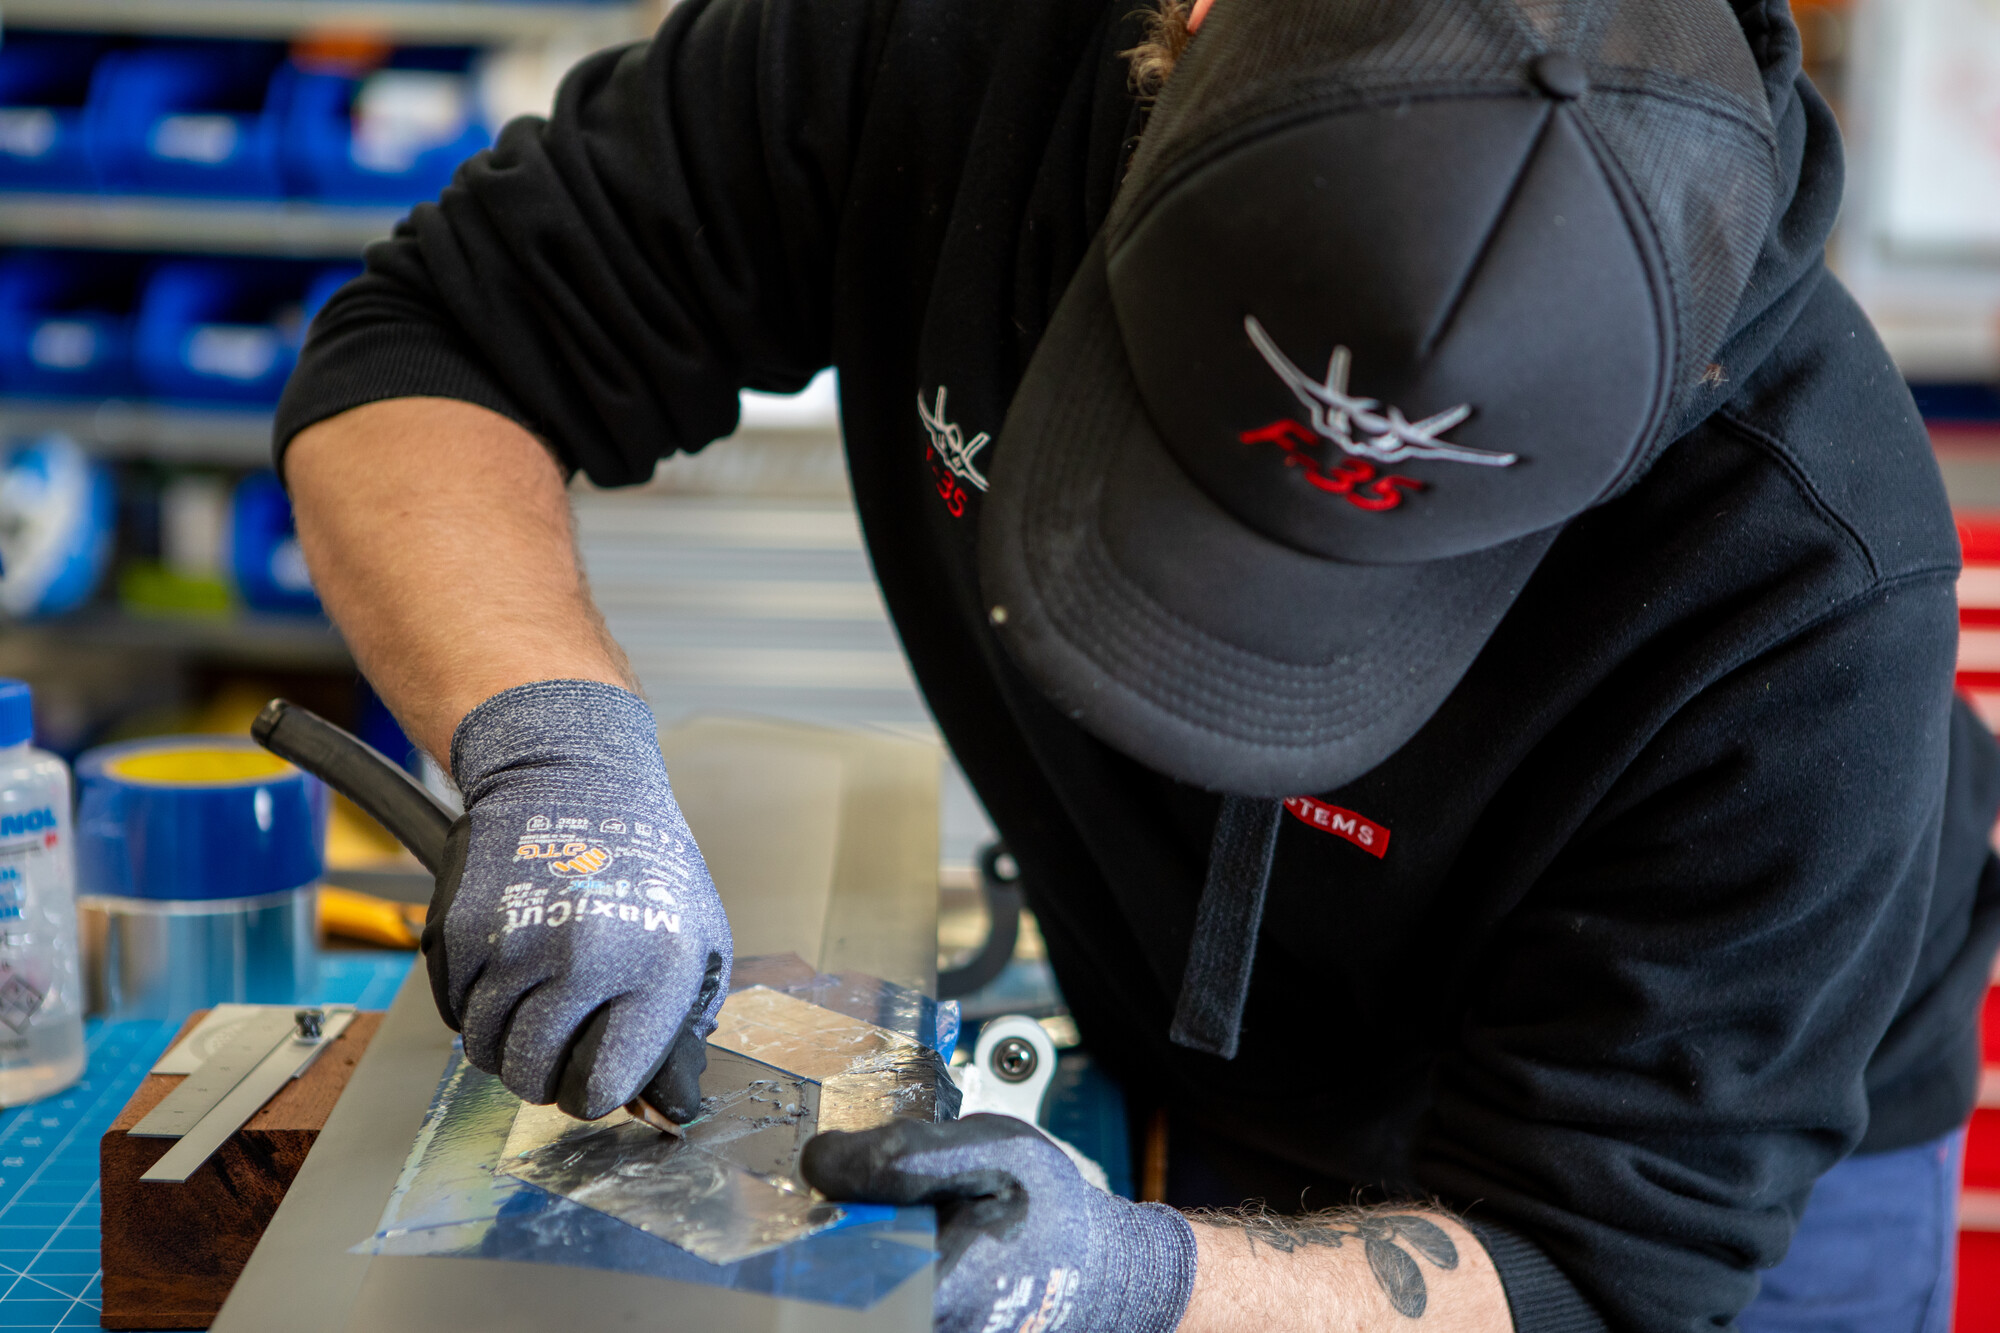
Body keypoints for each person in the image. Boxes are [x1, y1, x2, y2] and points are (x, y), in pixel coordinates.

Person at [274, 0, 2000, 1327]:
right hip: (1194, 1046)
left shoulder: (1809, 572)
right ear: (1172, 34)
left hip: (1711, 1155)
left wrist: (1129, 1280)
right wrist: (553, 754)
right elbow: (438, 339)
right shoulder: (941, 46)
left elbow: (1599, 1266)